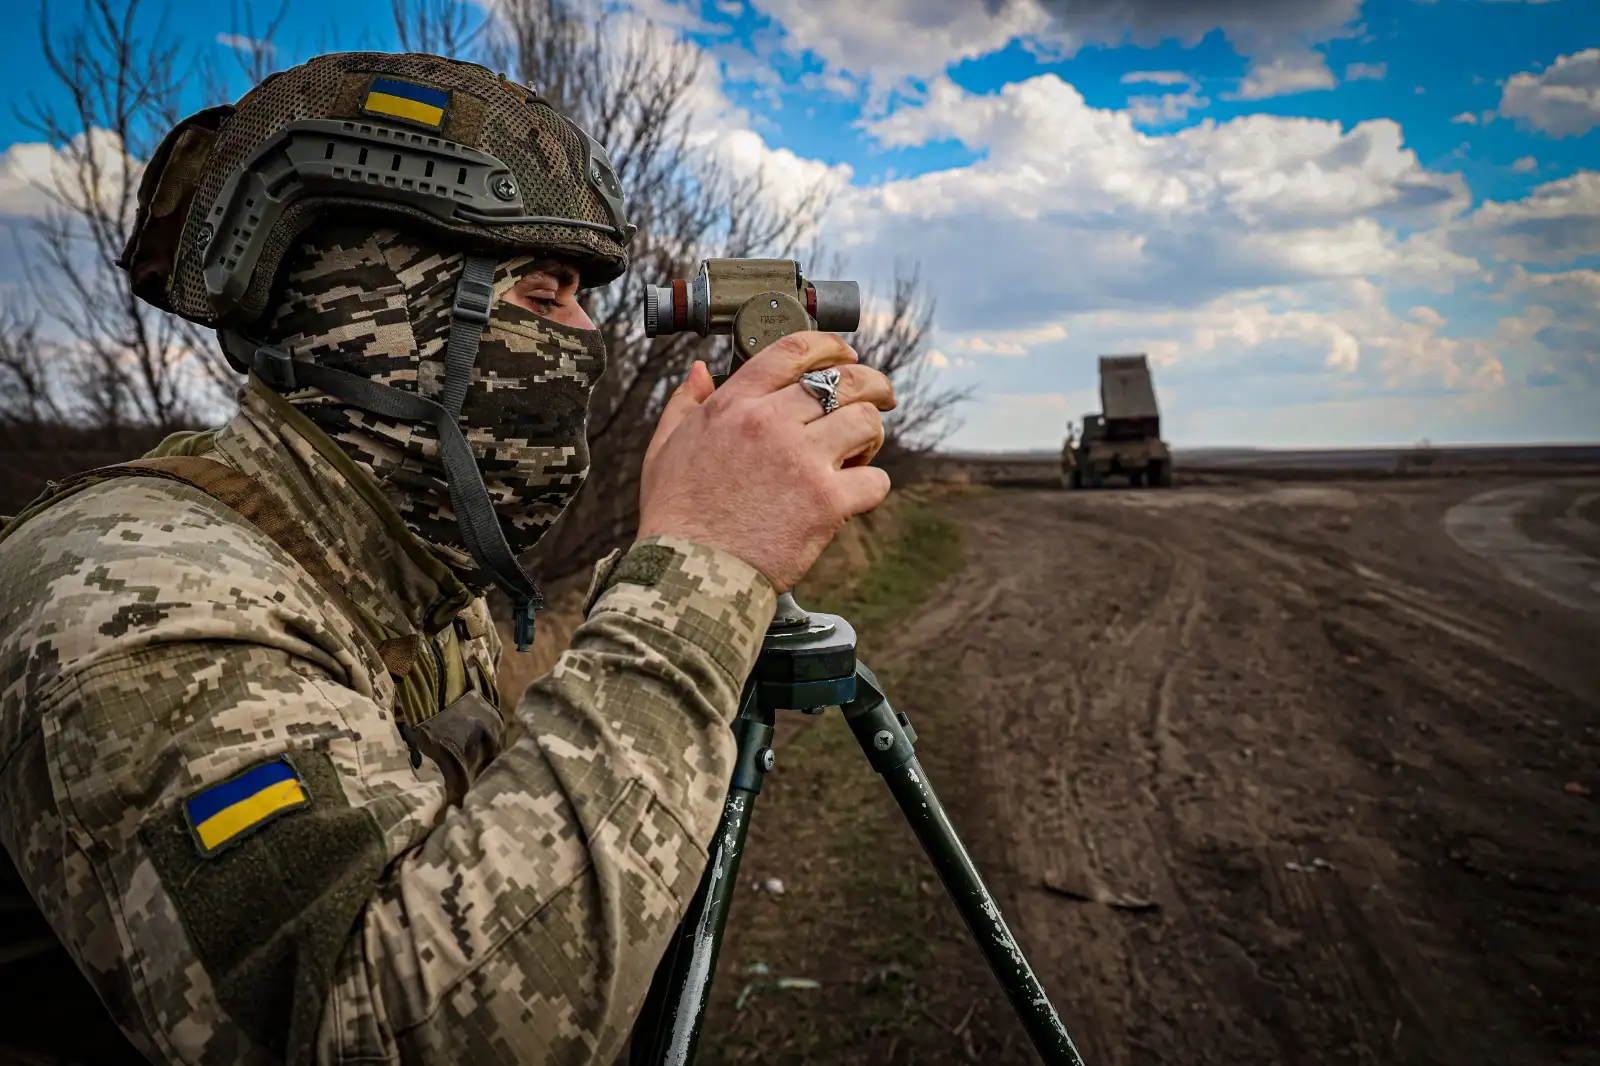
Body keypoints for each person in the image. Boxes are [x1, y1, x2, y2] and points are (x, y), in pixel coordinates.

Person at [0, 51, 893, 1066]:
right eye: (545, 296)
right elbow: (384, 1032)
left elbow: (473, 860)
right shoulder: (129, 596)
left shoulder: (393, 568)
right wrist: (698, 574)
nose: (586, 342)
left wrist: (675, 563)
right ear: (387, 323)